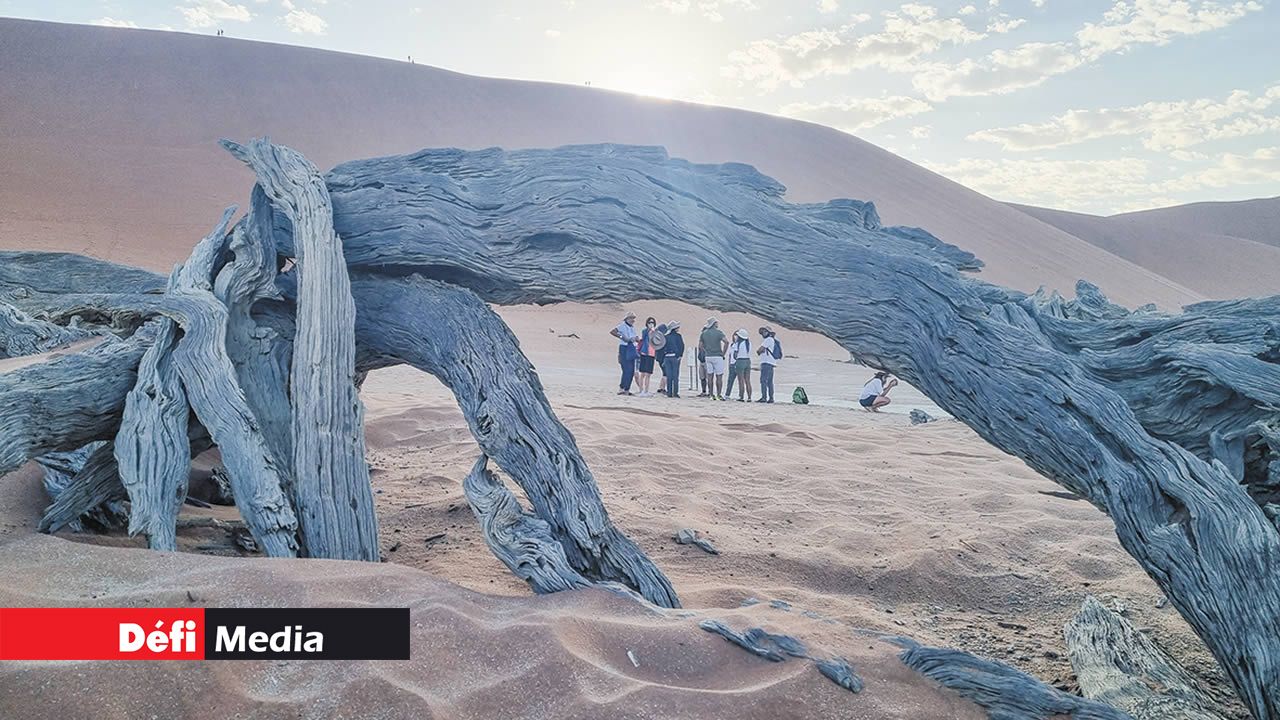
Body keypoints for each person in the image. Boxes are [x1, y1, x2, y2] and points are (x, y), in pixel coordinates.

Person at [609, 312, 640, 395]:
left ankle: (627, 389)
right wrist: (623, 337)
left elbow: (634, 338)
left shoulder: (632, 328)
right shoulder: (622, 325)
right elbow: (613, 331)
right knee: (626, 369)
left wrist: (636, 339)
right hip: (624, 348)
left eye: (633, 318)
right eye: (631, 318)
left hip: (631, 348)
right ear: (627, 319)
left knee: (631, 370)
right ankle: (622, 388)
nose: (632, 320)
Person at [699, 318, 728, 400]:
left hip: (708, 356)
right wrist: (723, 353)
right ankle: (718, 394)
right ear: (714, 323)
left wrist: (706, 350)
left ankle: (711, 394)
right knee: (719, 376)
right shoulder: (719, 333)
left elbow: (700, 346)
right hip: (718, 356)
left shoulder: (704, 333)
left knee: (710, 376)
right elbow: (726, 342)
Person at [658, 321, 685, 398]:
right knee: (675, 376)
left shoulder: (666, 337)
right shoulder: (678, 336)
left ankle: (669, 393)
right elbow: (681, 346)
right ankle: (675, 393)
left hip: (667, 357)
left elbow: (662, 347)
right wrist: (680, 355)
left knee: (669, 375)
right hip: (675, 357)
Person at [636, 317, 659, 397]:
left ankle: (646, 390)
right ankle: (641, 390)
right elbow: (644, 336)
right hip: (644, 353)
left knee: (648, 373)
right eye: (649, 322)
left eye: (652, 322)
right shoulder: (645, 331)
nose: (651, 324)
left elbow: (658, 341)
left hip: (651, 354)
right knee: (642, 373)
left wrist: (654, 331)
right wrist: (649, 330)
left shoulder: (656, 332)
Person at [756, 326, 778, 404]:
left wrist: (759, 351)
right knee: (769, 381)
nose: (763, 333)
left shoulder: (768, 340)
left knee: (763, 380)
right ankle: (771, 398)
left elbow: (760, 350)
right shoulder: (772, 340)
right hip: (771, 363)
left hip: (766, 362)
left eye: (765, 332)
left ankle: (764, 397)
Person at [730, 329, 752, 401]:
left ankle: (741, 396)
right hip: (747, 361)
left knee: (741, 380)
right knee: (747, 380)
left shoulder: (738, 344)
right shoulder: (749, 343)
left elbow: (735, 355)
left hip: (740, 361)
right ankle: (749, 397)